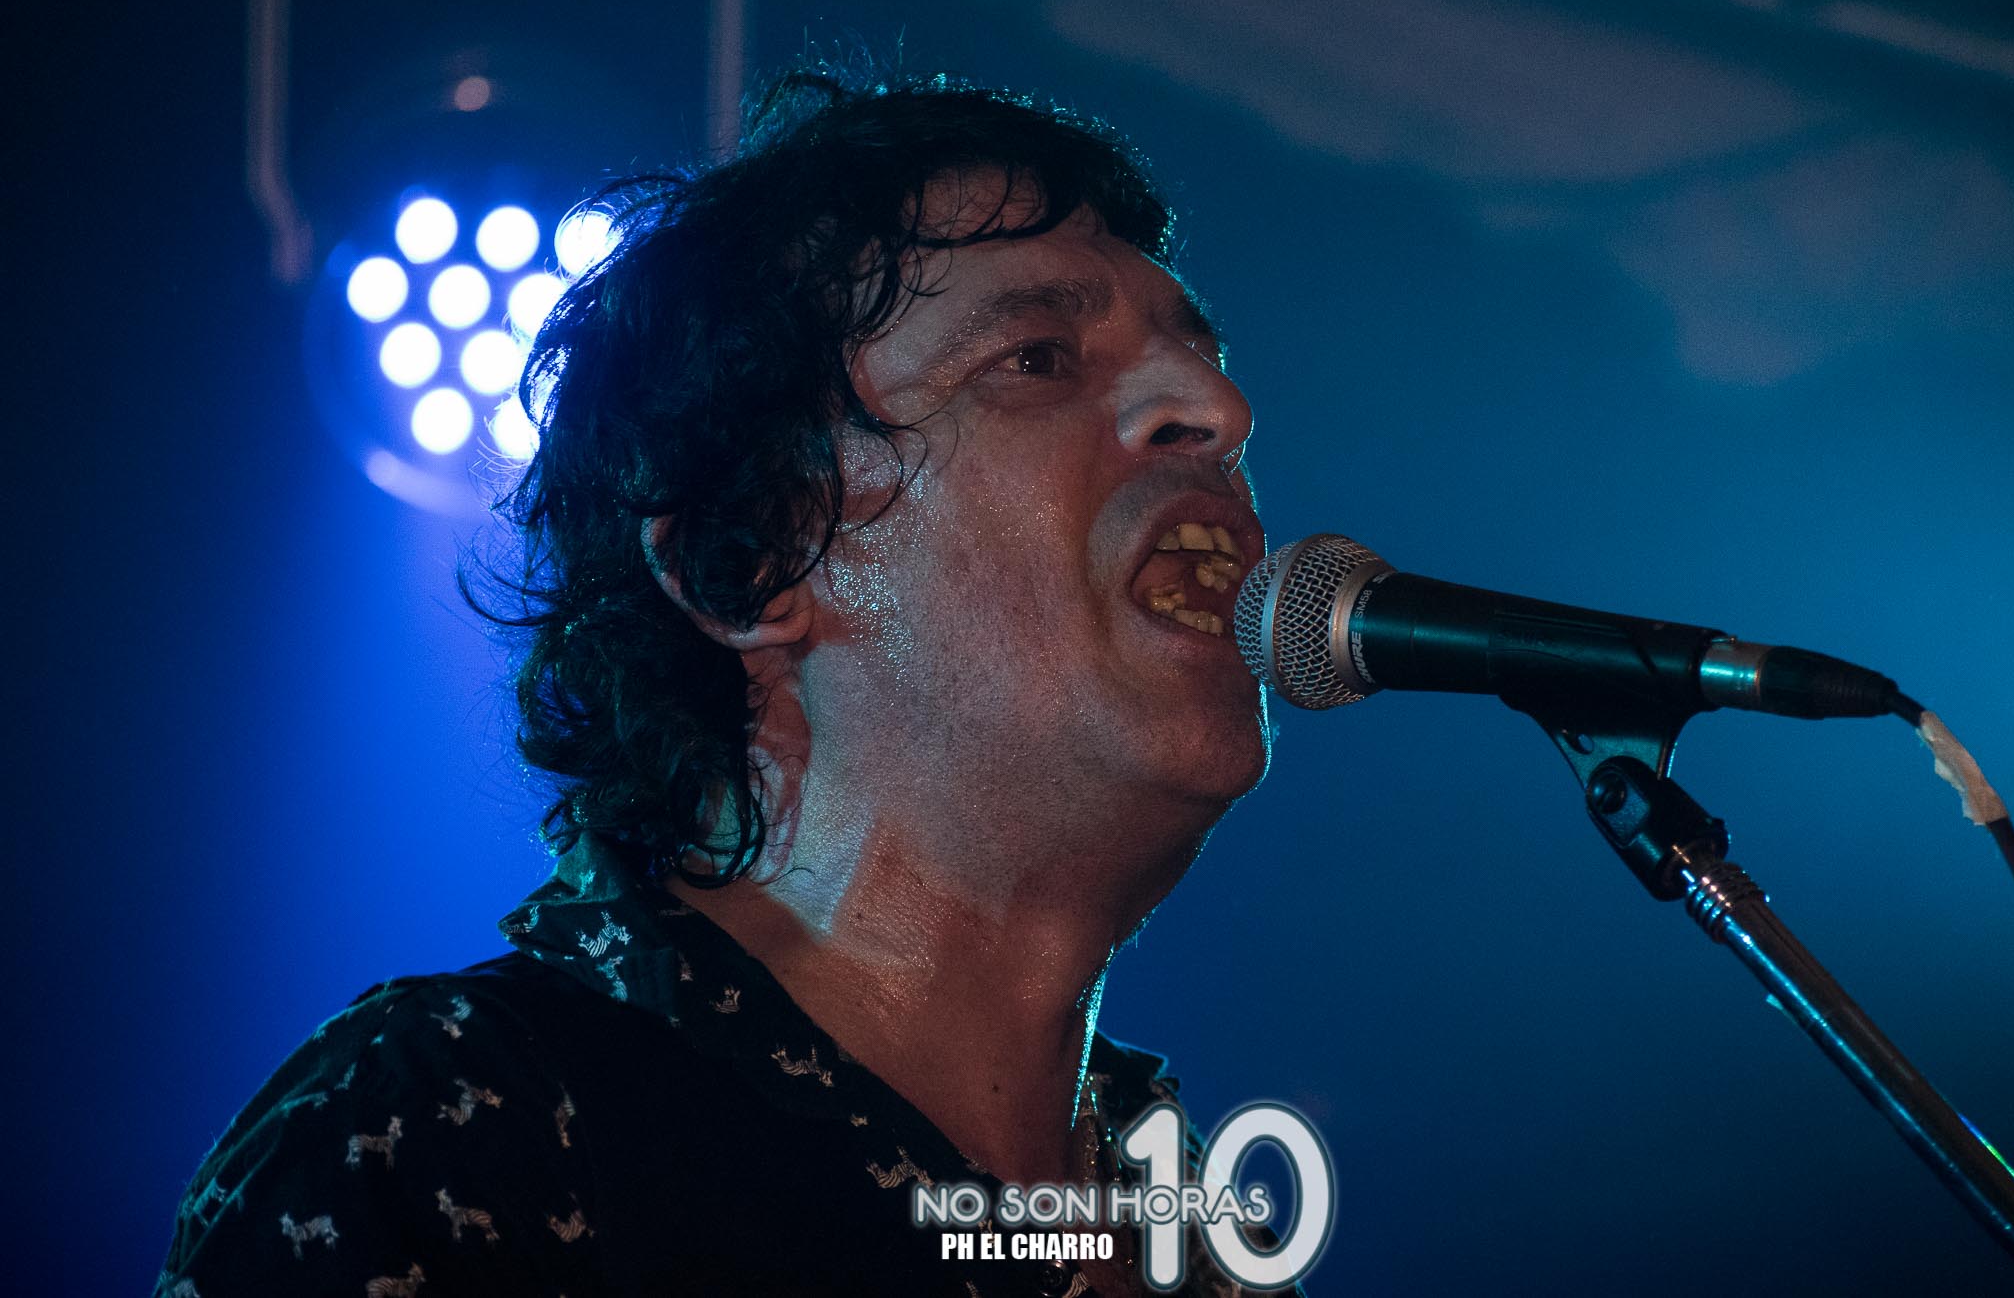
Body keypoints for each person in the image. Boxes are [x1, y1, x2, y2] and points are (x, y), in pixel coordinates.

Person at [156, 68, 1294, 1297]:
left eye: (1199, 354)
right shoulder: (457, 1133)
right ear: (745, 564)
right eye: (1036, 358)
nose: (1218, 407)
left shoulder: (1191, 1229)